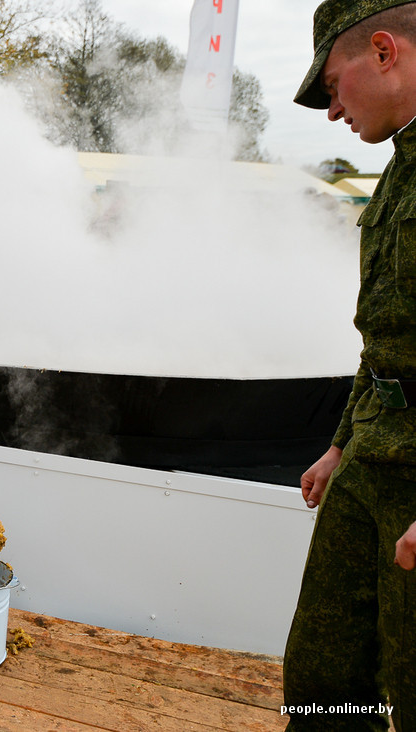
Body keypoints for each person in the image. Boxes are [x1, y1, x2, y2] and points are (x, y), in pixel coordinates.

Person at [286, 2, 416, 729]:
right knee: (323, 675)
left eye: (335, 86)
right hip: (372, 458)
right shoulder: (397, 171)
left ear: (385, 50)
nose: (332, 111)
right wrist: (341, 443)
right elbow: (385, 346)